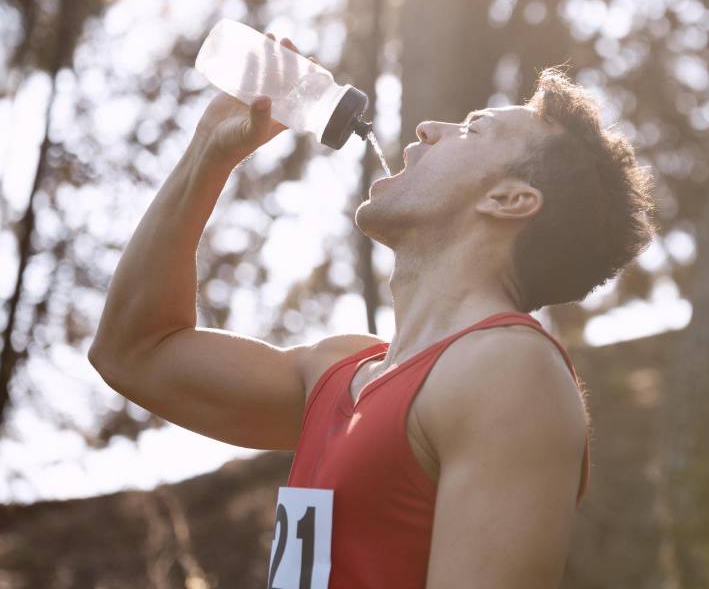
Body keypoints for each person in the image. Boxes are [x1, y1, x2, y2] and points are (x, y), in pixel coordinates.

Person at [88, 33, 655, 588]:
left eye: (473, 128)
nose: (428, 129)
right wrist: (209, 151)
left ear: (508, 200)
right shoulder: (339, 372)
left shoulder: (510, 372)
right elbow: (133, 352)